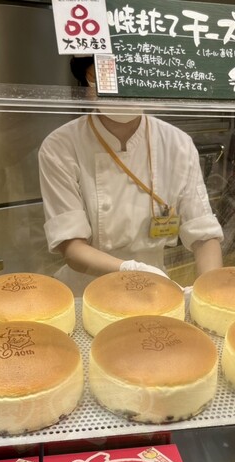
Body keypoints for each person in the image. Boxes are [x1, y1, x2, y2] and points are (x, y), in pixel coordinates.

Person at [38, 56, 223, 296]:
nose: (122, 89)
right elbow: (72, 248)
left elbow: (204, 235)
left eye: (133, 77)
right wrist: (132, 269)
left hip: (155, 290)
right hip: (86, 292)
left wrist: (210, 292)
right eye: (107, 77)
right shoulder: (61, 145)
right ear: (86, 83)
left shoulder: (177, 143)